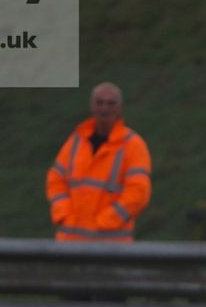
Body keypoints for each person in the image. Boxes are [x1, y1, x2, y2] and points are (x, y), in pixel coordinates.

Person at [45, 82, 152, 243]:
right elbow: (55, 179)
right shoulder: (76, 141)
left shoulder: (133, 145)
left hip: (111, 246)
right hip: (69, 243)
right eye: (99, 102)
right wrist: (63, 213)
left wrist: (107, 221)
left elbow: (139, 193)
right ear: (91, 106)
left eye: (111, 103)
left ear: (120, 108)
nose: (104, 108)